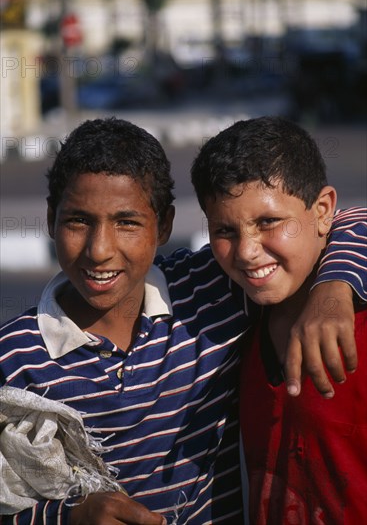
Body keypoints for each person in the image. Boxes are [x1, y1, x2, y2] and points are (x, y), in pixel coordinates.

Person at [0, 117, 365, 525]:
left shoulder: (211, 293)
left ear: (165, 225)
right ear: (51, 219)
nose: (100, 250)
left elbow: (346, 221)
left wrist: (334, 287)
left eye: (127, 222)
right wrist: (67, 518)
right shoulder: (14, 356)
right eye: (78, 221)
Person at [190, 115, 367, 524]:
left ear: (323, 211)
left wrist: (335, 287)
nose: (247, 252)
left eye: (268, 222)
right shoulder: (233, 320)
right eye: (225, 230)